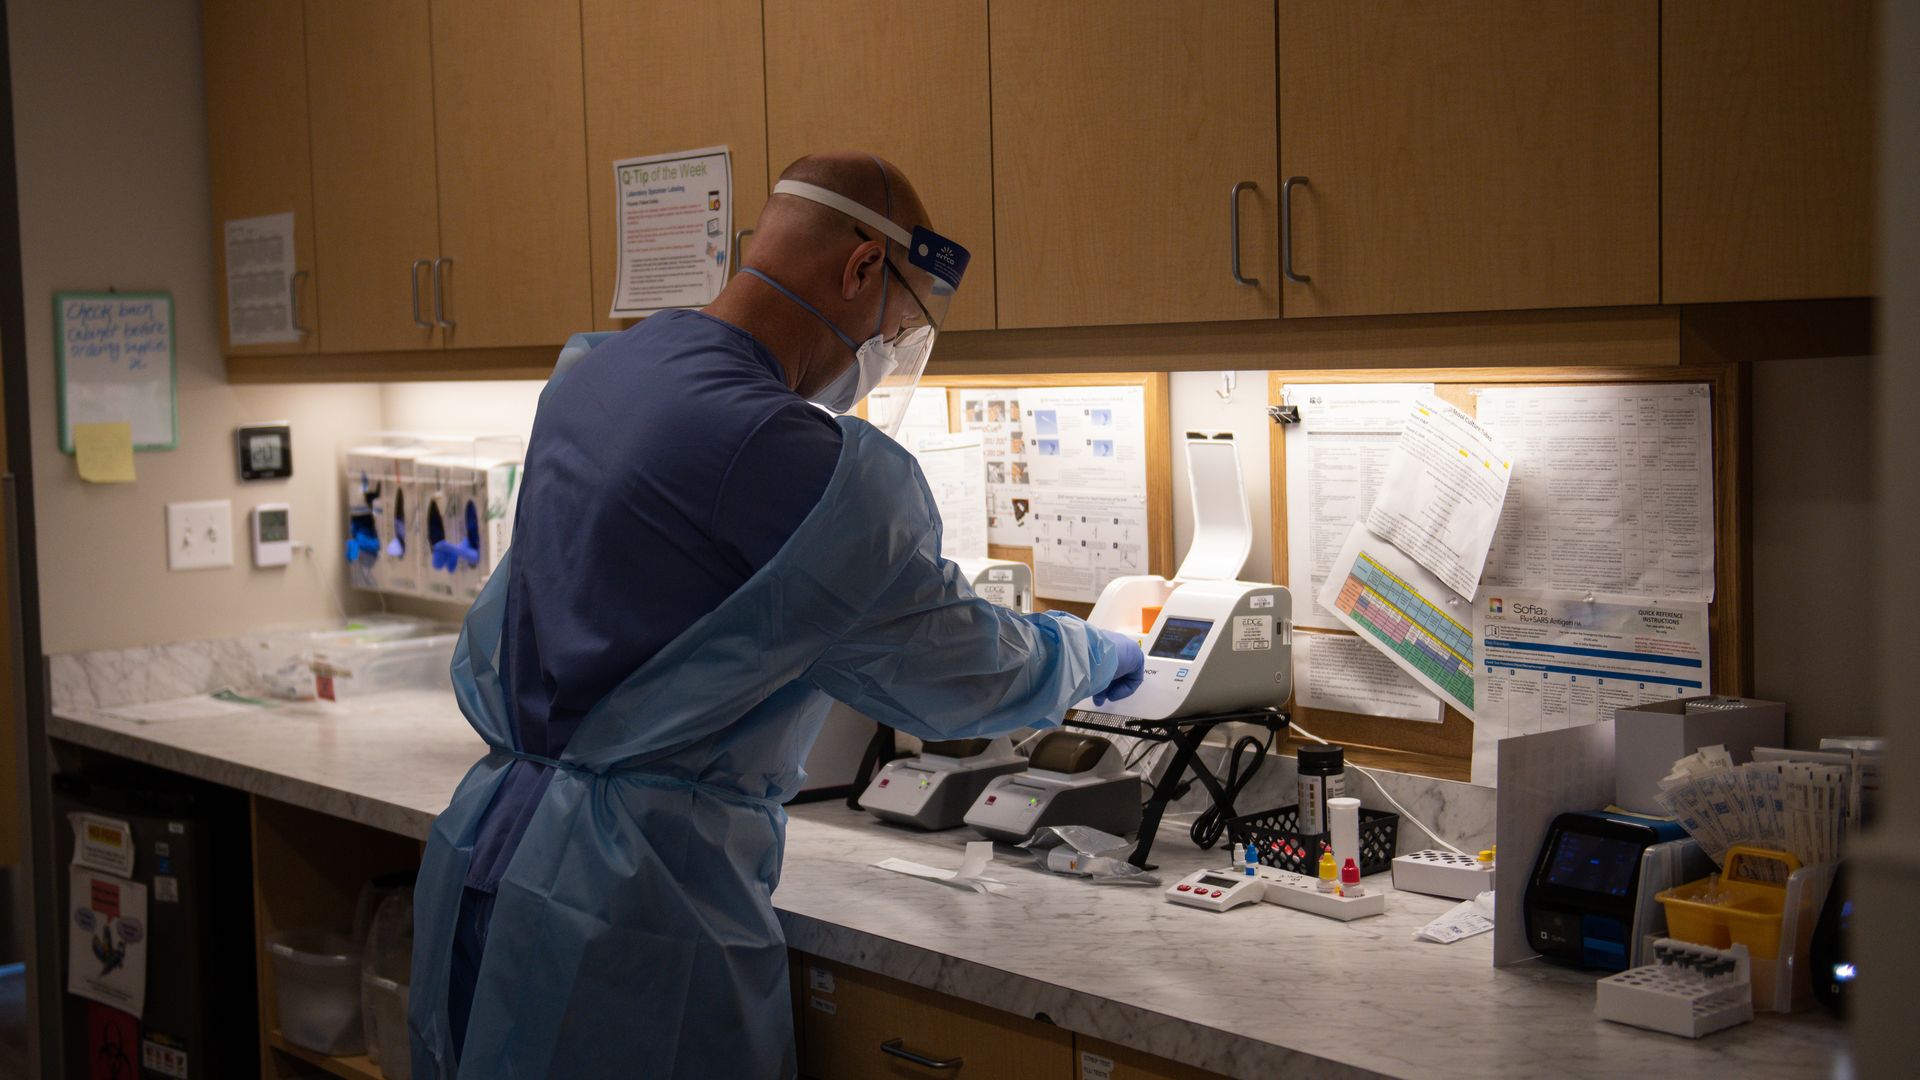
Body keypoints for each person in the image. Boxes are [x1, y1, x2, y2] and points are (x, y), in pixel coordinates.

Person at [408, 151, 1145, 1079]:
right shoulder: (786, 453)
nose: (883, 358)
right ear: (863, 269)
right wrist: (1097, 653)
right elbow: (957, 668)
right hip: (630, 897)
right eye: (901, 328)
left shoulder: (602, 371)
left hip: (493, 844)